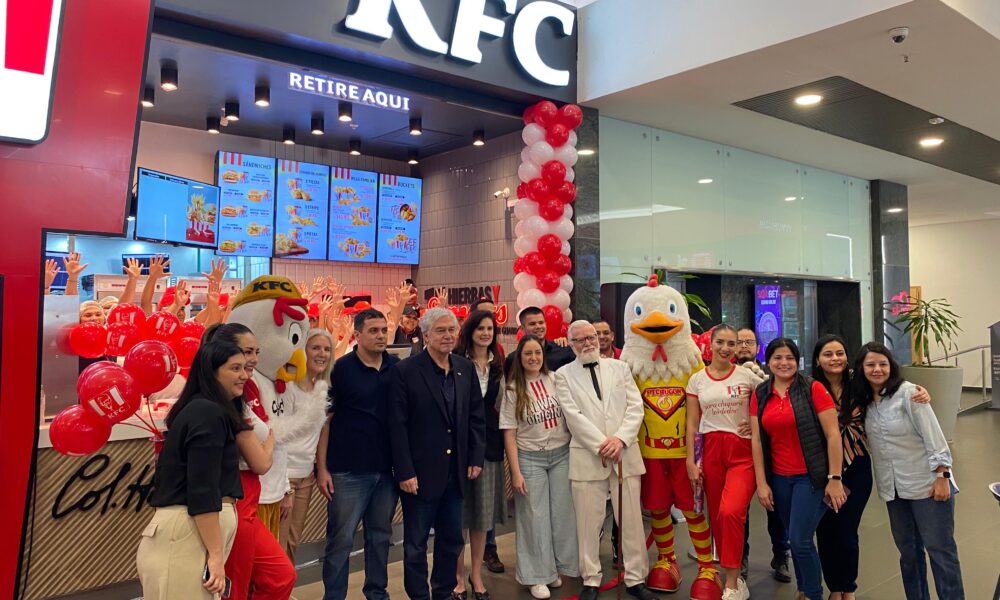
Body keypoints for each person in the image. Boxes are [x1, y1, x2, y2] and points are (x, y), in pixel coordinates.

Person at [812, 335, 931, 600]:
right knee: (826, 529)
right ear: (818, 360)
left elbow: (891, 386)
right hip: (823, 468)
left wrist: (919, 390)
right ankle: (834, 587)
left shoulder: (858, 384)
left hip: (857, 467)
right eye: (828, 354)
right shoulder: (810, 387)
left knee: (847, 529)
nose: (835, 359)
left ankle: (848, 587)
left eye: (840, 353)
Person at [136, 338, 247, 599]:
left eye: (244, 368)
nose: (244, 375)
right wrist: (216, 555)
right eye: (235, 368)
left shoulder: (206, 410)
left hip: (190, 534)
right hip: (185, 535)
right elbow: (202, 488)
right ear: (211, 372)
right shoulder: (206, 412)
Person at [388, 307, 486, 600]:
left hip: (456, 473)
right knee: (416, 544)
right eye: (440, 330)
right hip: (419, 475)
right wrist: (404, 471)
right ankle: (419, 595)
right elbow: (397, 425)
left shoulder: (464, 368)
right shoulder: (406, 371)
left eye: (452, 330)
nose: (447, 336)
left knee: (451, 540)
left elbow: (476, 417)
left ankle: (443, 592)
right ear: (426, 335)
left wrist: (475, 458)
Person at [555, 321, 657, 600]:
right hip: (588, 455)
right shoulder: (562, 375)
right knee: (588, 523)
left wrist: (620, 439)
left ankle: (636, 578)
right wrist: (602, 444)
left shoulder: (620, 368)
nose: (588, 343)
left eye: (591, 337)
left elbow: (636, 407)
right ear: (571, 344)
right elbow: (572, 415)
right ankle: (590, 579)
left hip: (625, 453)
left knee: (632, 520)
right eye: (580, 340)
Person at [854, 342, 964, 599]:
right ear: (861, 369)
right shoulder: (864, 401)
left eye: (883, 363)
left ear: (891, 366)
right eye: (870, 364)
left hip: (927, 485)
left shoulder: (910, 394)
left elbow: (934, 436)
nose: (877, 369)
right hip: (894, 490)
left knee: (941, 552)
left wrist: (943, 476)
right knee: (909, 553)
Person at [750, 338, 846, 600]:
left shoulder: (813, 388)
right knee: (797, 540)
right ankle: (804, 590)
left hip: (811, 478)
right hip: (780, 479)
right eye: (777, 358)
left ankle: (814, 594)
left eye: (789, 358)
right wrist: (762, 482)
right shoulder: (760, 393)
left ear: (798, 360)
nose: (784, 363)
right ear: (768, 361)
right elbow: (757, 440)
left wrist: (834, 478)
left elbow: (833, 435)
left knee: (800, 540)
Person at [316, 309, 400, 600]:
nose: (380, 336)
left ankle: (377, 593)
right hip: (347, 471)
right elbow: (325, 421)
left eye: (383, 330)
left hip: (386, 471)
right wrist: (322, 468)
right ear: (357, 335)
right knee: (340, 541)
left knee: (380, 537)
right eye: (373, 331)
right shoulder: (340, 369)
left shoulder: (396, 367)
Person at [214, 323, 297, 600]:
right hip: (233, 500)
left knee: (279, 575)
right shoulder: (220, 402)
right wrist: (270, 441)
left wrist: (284, 485)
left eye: (255, 352)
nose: (252, 360)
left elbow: (270, 445)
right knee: (235, 585)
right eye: (246, 352)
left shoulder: (244, 391)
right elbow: (262, 455)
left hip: (255, 496)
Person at [685, 325, 762, 600]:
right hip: (711, 450)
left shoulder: (748, 377)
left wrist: (755, 426)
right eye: (721, 342)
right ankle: (732, 575)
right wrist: (691, 461)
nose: (726, 348)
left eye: (732, 344)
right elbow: (692, 423)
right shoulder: (696, 380)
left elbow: (766, 407)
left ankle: (731, 583)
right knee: (717, 516)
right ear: (711, 344)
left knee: (731, 511)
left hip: (742, 453)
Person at [500, 335, 578, 599]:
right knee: (534, 518)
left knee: (560, 516)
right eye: (528, 354)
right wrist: (516, 472)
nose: (533, 358)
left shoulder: (556, 379)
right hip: (530, 459)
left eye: (537, 353)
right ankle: (535, 576)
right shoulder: (513, 389)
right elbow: (509, 433)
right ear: (519, 358)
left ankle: (552, 569)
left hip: (561, 456)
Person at [450, 310, 507, 599]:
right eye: (480, 328)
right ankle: (458, 577)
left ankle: (476, 575)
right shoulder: (456, 361)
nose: (485, 333)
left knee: (482, 517)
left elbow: (503, 405)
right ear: (470, 331)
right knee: (458, 515)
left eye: (490, 329)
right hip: (459, 447)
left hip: (490, 446)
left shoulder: (498, 365)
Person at [273, 328, 332, 562]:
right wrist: (285, 487)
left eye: (326, 349)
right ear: (302, 351)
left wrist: (321, 468)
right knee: (278, 545)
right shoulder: (287, 387)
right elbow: (278, 436)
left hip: (306, 476)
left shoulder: (321, 388)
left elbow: (322, 430)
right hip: (284, 478)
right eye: (315, 348)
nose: (322, 354)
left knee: (291, 544)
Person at [735, 327, 789, 583]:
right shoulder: (725, 374)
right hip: (737, 453)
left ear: (758, 347)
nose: (744, 346)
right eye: (739, 342)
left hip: (770, 452)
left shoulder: (772, 376)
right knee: (739, 509)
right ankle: (740, 557)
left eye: (749, 342)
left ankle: (781, 555)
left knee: (775, 507)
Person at [504, 307, 574, 373]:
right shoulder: (513, 359)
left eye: (541, 323)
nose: (538, 326)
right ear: (522, 328)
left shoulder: (563, 350)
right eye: (532, 324)